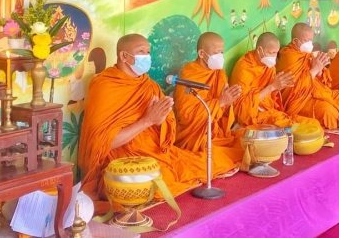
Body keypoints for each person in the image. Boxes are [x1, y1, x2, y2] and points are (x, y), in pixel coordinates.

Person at [78, 34, 221, 213]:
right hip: (122, 159)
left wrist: (161, 122)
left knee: (203, 165)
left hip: (153, 151)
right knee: (155, 182)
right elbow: (102, 143)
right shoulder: (105, 85)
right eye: (141, 52)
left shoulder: (148, 85)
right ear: (123, 56)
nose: (146, 56)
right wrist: (148, 120)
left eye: (148, 52)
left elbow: (165, 127)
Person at [174, 32, 244, 166]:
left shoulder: (219, 72)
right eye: (216, 52)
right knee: (212, 159)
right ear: (201, 53)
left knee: (247, 142)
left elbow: (224, 111)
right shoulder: (189, 74)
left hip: (217, 132)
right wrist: (221, 102)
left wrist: (228, 100)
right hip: (194, 135)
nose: (220, 56)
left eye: (222, 52)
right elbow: (186, 116)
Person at [230, 32, 318, 128]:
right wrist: (272, 87)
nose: (274, 57)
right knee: (293, 127)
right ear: (259, 50)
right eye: (271, 53)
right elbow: (242, 109)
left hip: (269, 112)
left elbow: (271, 97)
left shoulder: (269, 66)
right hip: (253, 116)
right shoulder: (244, 68)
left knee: (314, 124)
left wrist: (278, 88)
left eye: (276, 53)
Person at [277, 23, 339, 129]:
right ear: (295, 41)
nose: (310, 43)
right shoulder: (289, 57)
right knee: (328, 112)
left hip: (319, 93)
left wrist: (319, 72)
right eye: (306, 40)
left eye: (311, 40)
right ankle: (337, 124)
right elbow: (294, 91)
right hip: (302, 101)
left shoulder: (305, 53)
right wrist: (314, 70)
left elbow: (323, 82)